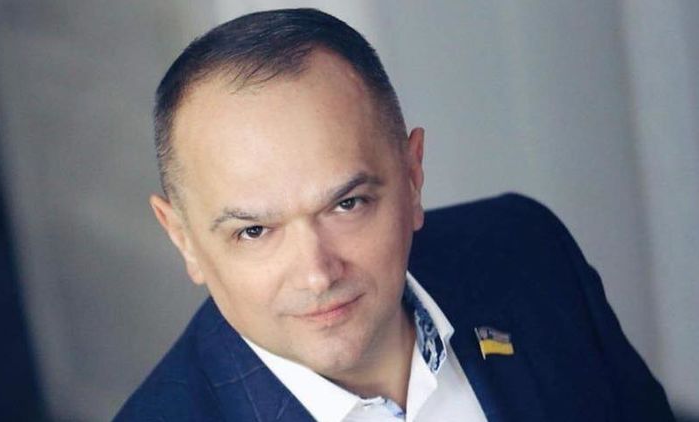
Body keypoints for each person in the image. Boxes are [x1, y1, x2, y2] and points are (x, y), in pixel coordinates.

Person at [115, 8, 673, 422]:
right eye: (255, 231)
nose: (317, 273)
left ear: (411, 175)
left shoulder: (526, 251)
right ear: (183, 238)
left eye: (346, 204)